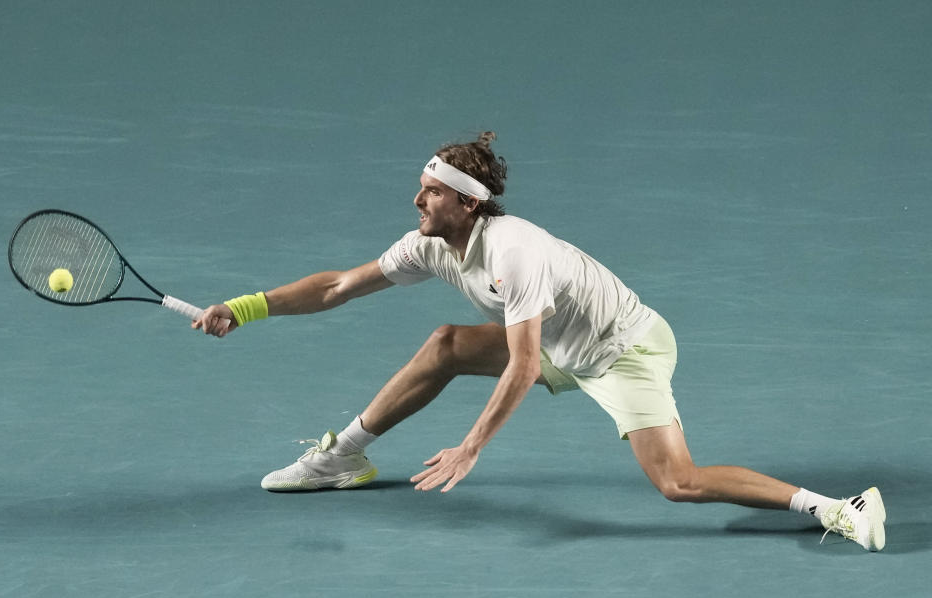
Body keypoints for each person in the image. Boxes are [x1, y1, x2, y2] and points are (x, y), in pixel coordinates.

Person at [194, 132, 886, 552]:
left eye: (431, 193)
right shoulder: (428, 246)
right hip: (559, 341)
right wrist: (246, 308)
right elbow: (337, 286)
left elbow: (523, 365)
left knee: (677, 482)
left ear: (468, 203)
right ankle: (340, 459)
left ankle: (835, 508)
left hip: (622, 350)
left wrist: (472, 446)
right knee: (444, 344)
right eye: (419, 189)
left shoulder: (514, 252)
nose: (416, 202)